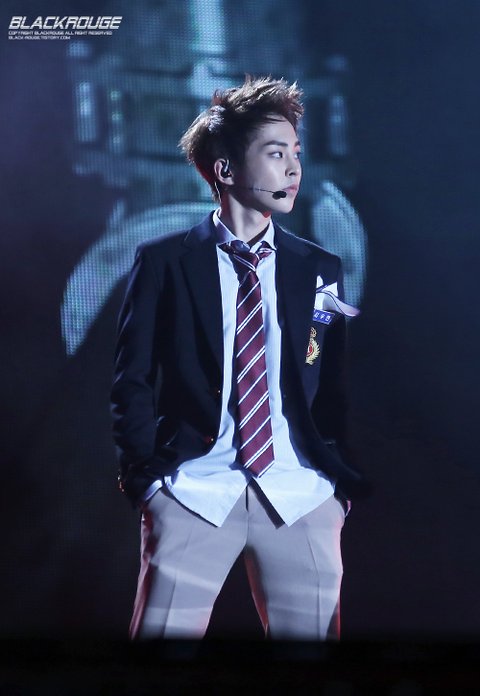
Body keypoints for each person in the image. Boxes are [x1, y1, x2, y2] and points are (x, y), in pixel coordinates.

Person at [111, 75, 362, 641]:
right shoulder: (164, 262)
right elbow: (132, 379)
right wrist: (148, 483)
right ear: (225, 170)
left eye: (296, 153)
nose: (293, 169)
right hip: (194, 491)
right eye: (275, 154)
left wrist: (336, 486)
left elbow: (331, 383)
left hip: (301, 494)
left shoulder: (320, 269)